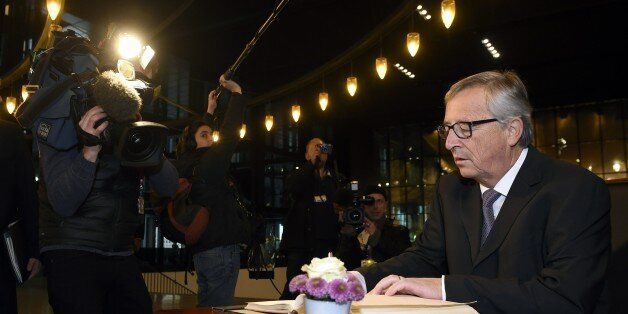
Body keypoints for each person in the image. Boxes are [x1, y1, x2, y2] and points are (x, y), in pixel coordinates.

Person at [353, 71, 611, 313]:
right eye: (447, 129)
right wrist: (355, 280)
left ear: (511, 130)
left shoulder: (574, 189)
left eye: (465, 127)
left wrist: (444, 288)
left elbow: (563, 297)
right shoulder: (450, 188)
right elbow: (425, 257)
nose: (451, 143)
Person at [37, 71, 179, 314]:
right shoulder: (61, 125)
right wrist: (89, 151)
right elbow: (63, 202)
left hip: (121, 251)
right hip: (72, 250)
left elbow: (169, 187)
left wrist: (145, 144)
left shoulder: (127, 129)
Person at [174, 75, 247, 307]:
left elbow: (200, 135)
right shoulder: (208, 165)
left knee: (206, 307)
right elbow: (229, 135)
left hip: (203, 251)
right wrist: (237, 95)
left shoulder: (187, 164)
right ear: (194, 142)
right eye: (204, 136)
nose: (210, 138)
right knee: (220, 309)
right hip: (220, 250)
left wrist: (209, 110)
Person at [279, 138, 342, 300]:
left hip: (326, 245)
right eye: (315, 148)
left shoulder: (335, 179)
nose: (319, 151)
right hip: (301, 245)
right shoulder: (299, 175)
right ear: (307, 155)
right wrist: (311, 165)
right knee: (295, 290)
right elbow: (292, 188)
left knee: (324, 291)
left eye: (322, 148)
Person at [0, 119, 41, 314]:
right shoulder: (9, 132)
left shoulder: (8, 133)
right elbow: (26, 192)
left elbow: (27, 192)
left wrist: (33, 248)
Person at [336, 185, 411, 270]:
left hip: (388, 280)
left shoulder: (399, 231)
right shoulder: (355, 230)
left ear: (385, 204)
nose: (375, 206)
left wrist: (375, 235)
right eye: (370, 202)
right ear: (363, 205)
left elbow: (404, 259)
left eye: (380, 201)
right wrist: (347, 236)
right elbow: (342, 264)